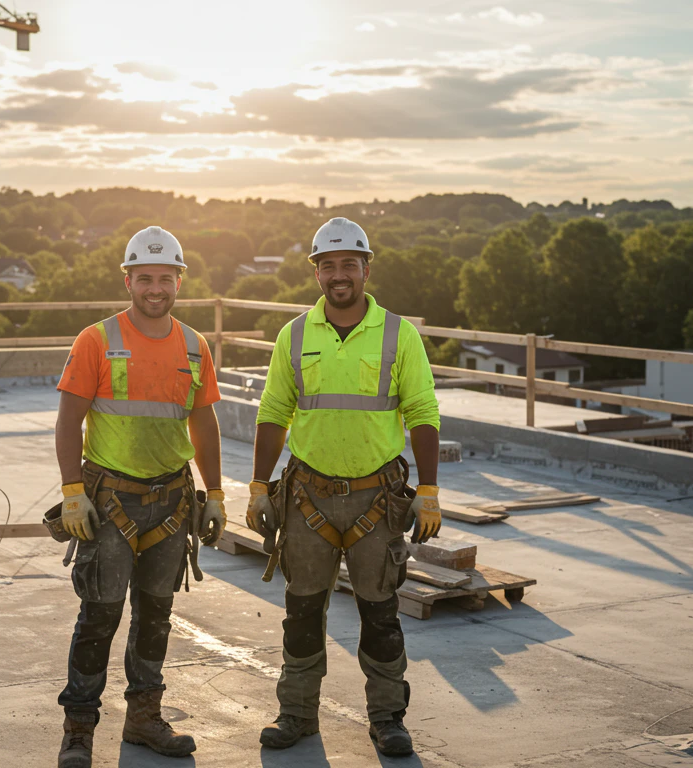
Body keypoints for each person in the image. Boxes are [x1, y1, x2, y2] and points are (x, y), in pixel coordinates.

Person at [245, 217, 442, 757]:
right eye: (328, 265)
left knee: (380, 613)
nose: (339, 275)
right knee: (302, 611)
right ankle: (297, 714)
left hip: (376, 499)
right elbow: (273, 413)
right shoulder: (295, 336)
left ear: (366, 269)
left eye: (348, 265)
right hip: (308, 496)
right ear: (315, 272)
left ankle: (387, 718)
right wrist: (259, 485)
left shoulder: (400, 335)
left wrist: (429, 491)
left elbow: (423, 412)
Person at [52, 226, 226, 768]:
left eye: (165, 278)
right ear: (128, 279)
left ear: (180, 281)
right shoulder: (97, 339)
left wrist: (216, 492)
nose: (156, 287)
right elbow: (68, 420)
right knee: (99, 615)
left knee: (156, 614)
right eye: (145, 277)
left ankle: (144, 718)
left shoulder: (195, 345)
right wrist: (72, 492)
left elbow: (204, 421)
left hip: (171, 502)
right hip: (110, 503)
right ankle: (79, 727)